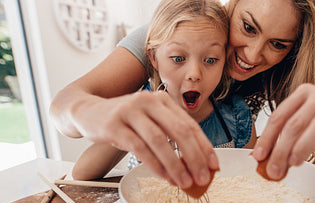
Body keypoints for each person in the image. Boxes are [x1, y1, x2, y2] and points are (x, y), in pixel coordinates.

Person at [50, 0, 315, 188]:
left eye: (277, 44)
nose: (253, 54)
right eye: (247, 27)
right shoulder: (175, 34)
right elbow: (64, 107)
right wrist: (99, 116)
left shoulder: (287, 66)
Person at [71, 0, 256, 180]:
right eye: (178, 59)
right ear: (153, 57)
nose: (194, 74)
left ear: (224, 60)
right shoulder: (141, 109)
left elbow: (248, 180)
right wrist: (131, 123)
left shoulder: (236, 117)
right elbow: (81, 173)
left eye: (210, 60)